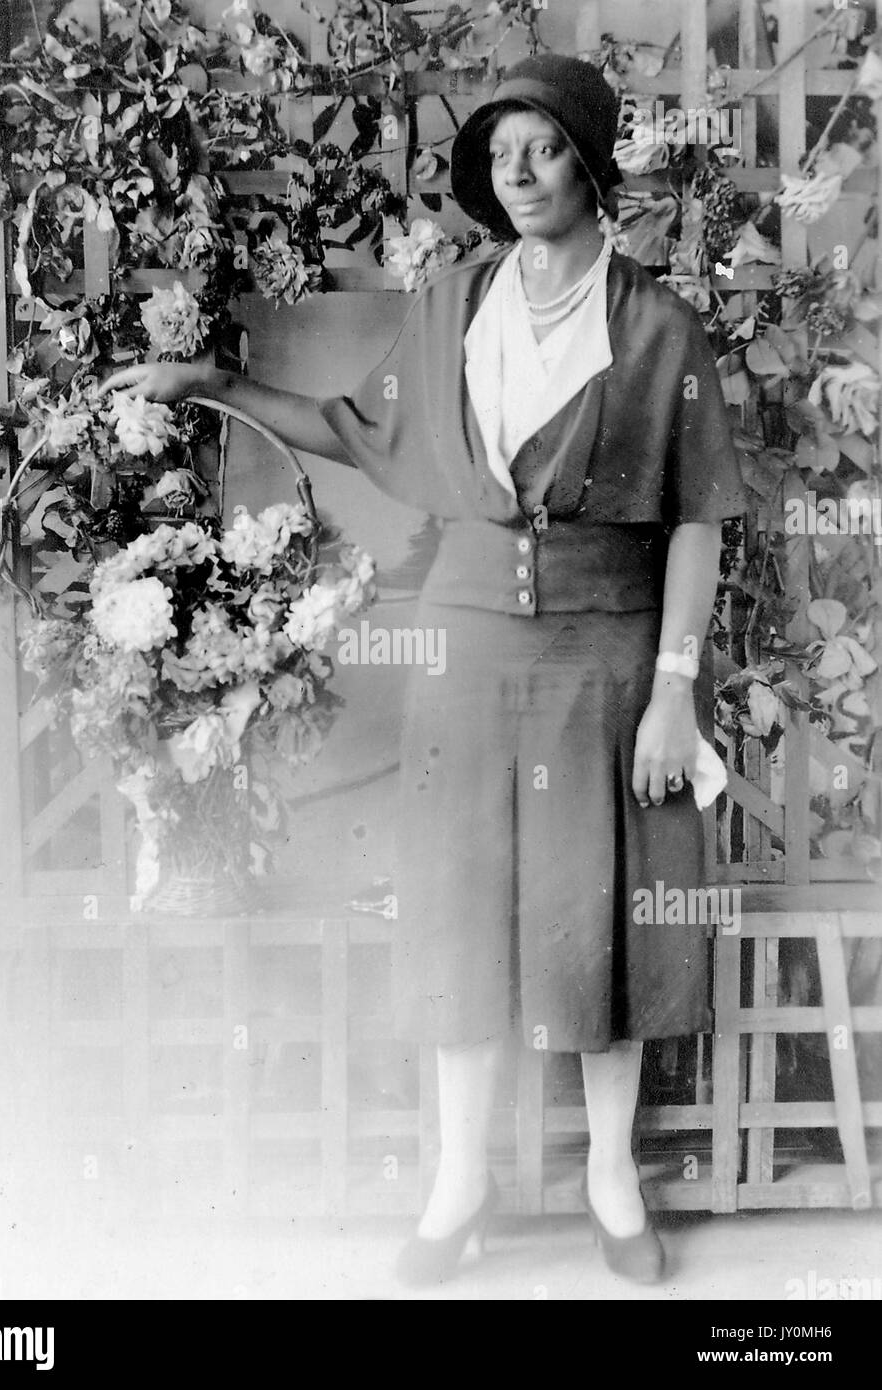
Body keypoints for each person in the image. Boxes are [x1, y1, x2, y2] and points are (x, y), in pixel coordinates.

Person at [99, 54, 747, 1288]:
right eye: (499, 151)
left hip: (605, 659)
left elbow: (700, 517)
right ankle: (461, 1183)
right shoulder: (453, 303)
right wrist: (212, 384)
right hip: (462, 652)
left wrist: (672, 685)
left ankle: (613, 1177)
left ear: (589, 163)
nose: (516, 172)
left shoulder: (659, 323)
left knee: (601, 907)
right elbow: (353, 428)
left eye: (544, 147)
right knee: (461, 917)